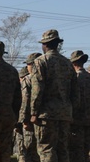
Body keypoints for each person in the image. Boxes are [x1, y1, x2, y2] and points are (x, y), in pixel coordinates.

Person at [30, 29, 79, 162]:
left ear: (45, 45)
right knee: (62, 149)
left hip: (46, 114)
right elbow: (75, 92)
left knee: (47, 149)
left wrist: (34, 112)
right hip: (65, 114)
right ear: (57, 44)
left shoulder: (41, 61)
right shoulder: (68, 64)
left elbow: (37, 89)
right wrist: (71, 112)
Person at [16, 53, 42, 162]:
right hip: (44, 120)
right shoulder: (47, 78)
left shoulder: (28, 79)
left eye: (28, 64)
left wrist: (23, 121)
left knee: (26, 151)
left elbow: (25, 101)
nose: (27, 67)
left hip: (30, 120)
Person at [68, 50, 90, 162]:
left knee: (75, 151)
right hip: (88, 121)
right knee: (86, 150)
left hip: (76, 121)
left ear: (74, 63)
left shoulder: (73, 78)